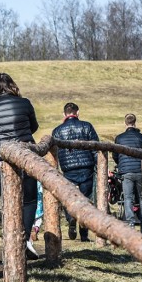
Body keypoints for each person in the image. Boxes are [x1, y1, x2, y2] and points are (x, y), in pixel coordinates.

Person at [0, 72, 40, 259]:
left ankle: (12, 242)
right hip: (25, 157)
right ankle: (25, 238)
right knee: (29, 200)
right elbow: (34, 127)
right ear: (12, 85)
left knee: (9, 202)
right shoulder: (25, 103)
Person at [51, 102, 99, 242]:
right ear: (77, 113)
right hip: (86, 168)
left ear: (64, 114)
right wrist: (100, 167)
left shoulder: (57, 131)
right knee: (85, 200)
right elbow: (96, 149)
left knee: (68, 197)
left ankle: (71, 218)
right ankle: (84, 235)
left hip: (68, 170)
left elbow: (54, 152)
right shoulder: (87, 126)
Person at [113, 113, 142, 231]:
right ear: (135, 122)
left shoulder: (119, 138)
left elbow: (115, 155)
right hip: (139, 170)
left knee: (128, 197)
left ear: (125, 123)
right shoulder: (141, 137)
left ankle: (130, 221)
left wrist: (120, 163)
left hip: (126, 171)